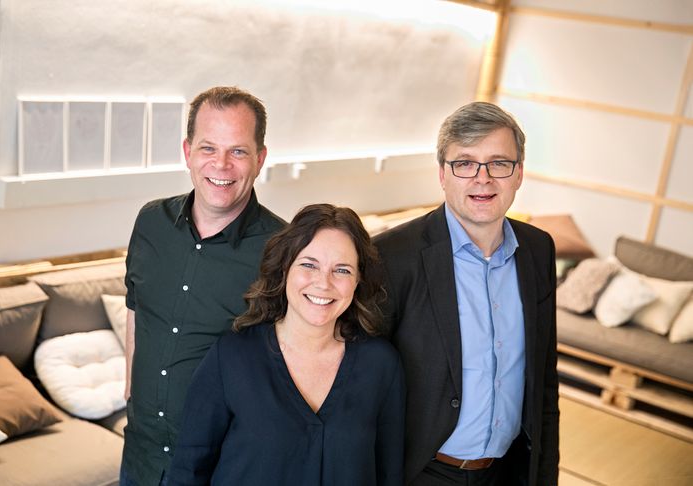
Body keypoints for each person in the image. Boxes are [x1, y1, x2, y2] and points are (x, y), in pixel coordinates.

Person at [374, 102, 559, 486]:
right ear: (443, 174)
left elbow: (544, 382)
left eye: (499, 163)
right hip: (421, 473)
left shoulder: (538, 250)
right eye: (465, 164)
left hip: (507, 471)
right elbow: (364, 386)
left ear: (519, 173)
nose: (483, 178)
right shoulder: (392, 255)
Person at [168, 204, 405, 486]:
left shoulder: (381, 365)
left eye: (341, 270)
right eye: (309, 265)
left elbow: (389, 473)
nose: (324, 283)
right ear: (284, 269)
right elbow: (188, 470)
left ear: (358, 281)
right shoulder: (232, 357)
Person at [121, 86, 286, 485]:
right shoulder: (150, 223)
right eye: (208, 148)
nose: (221, 164)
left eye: (238, 151)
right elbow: (136, 310)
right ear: (188, 152)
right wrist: (130, 389)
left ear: (260, 159)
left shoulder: (283, 250)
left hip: (223, 467)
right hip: (141, 455)